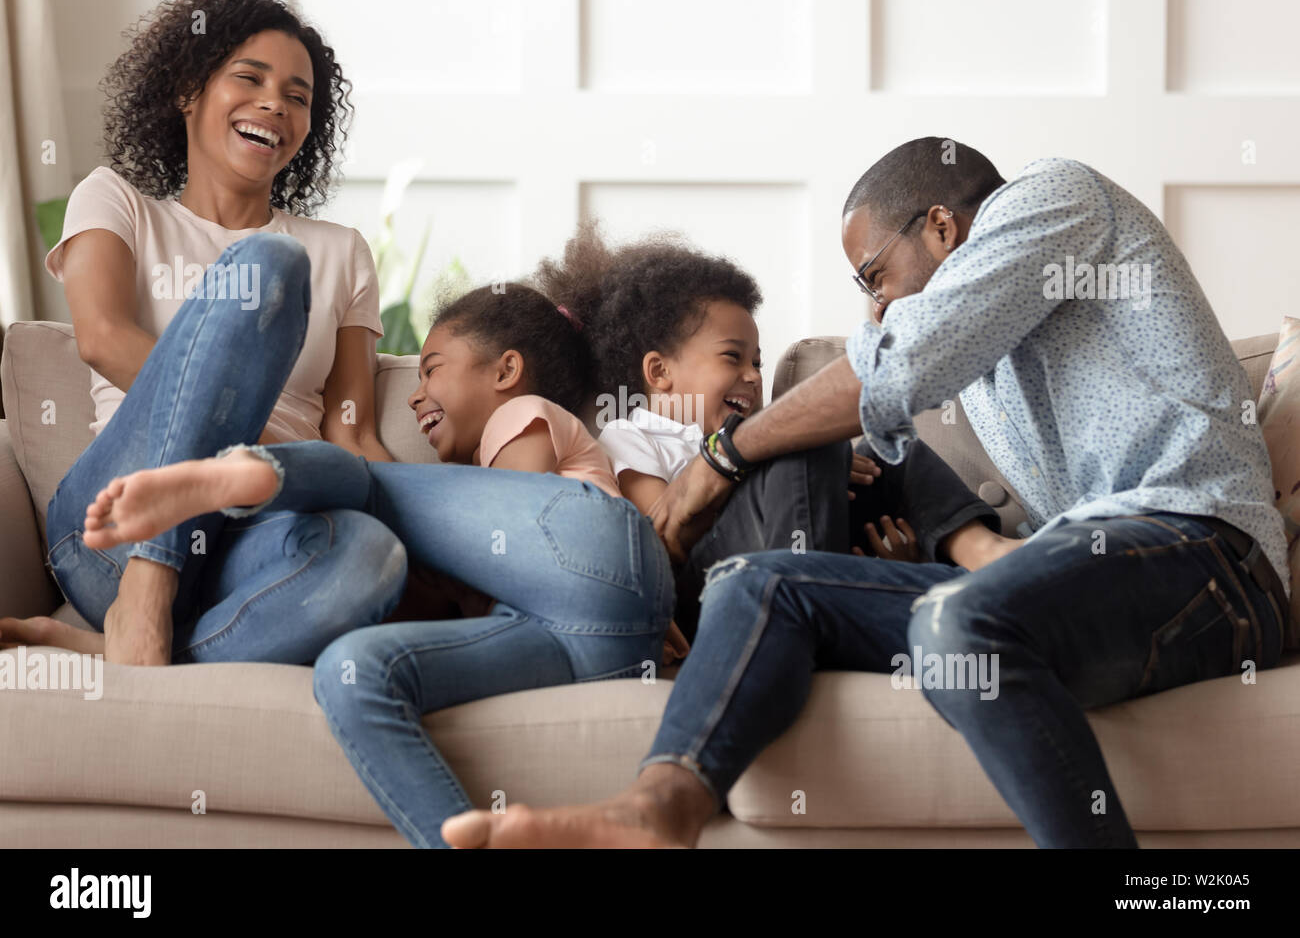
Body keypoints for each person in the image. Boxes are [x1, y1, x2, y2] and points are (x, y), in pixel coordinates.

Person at [438, 137, 1291, 849]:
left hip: (1206, 560)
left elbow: (894, 368)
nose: (876, 308)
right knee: (761, 584)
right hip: (1091, 591)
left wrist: (722, 457)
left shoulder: (1055, 197)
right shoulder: (986, 360)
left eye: (874, 276)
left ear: (944, 228)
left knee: (958, 620)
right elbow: (885, 386)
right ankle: (657, 809)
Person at [70, 282, 675, 849]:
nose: (414, 392)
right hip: (593, 649)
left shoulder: (522, 415)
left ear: (506, 371)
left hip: (592, 560)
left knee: (371, 484)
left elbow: (526, 531)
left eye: (432, 368)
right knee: (353, 673)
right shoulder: (478, 504)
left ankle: (245, 475)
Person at [0, 0, 405, 665]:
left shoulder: (342, 252)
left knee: (371, 554)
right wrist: (246, 441)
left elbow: (353, 433)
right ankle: (147, 583)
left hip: (251, 538)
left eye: (298, 96)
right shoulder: (116, 202)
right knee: (269, 266)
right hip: (115, 527)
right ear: (188, 91)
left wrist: (435, 545)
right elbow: (101, 338)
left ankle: (123, 646)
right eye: (250, 78)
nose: (276, 103)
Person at [535, 222, 1007, 641]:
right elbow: (667, 540)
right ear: (659, 372)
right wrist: (758, 463)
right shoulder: (631, 434)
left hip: (801, 548)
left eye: (757, 362)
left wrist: (829, 475)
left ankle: (984, 555)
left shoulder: (749, 432)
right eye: (732, 357)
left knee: (890, 452)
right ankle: (816, 608)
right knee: (799, 445)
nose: (753, 376)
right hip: (713, 587)